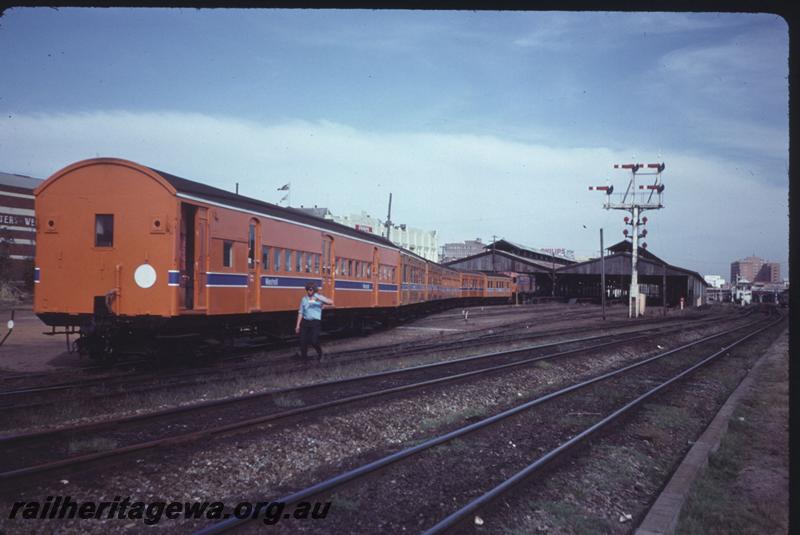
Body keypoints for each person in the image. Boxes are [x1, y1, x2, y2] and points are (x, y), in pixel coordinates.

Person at [295, 282, 334, 361]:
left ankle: (320, 353)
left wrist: (318, 299)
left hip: (315, 322)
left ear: (314, 290)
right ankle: (304, 359)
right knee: (303, 341)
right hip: (305, 322)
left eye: (311, 290)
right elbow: (301, 312)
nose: (309, 291)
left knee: (314, 340)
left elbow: (331, 302)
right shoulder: (304, 299)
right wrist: (297, 325)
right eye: (308, 290)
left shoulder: (318, 297)